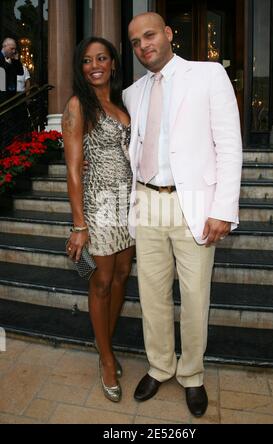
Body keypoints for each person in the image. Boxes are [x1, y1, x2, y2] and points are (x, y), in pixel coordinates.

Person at [123, 13, 243, 417]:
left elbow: (229, 144)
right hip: (147, 202)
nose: (144, 45)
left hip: (193, 205)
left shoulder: (208, 75)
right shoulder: (133, 92)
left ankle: (192, 375)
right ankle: (160, 366)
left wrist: (223, 209)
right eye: (136, 41)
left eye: (150, 35)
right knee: (151, 295)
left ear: (169, 34)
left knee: (195, 297)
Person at [62, 37, 135, 403]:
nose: (95, 65)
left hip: (128, 205)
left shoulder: (121, 103)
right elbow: (74, 169)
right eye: (88, 60)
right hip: (99, 205)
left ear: (113, 64)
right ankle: (107, 358)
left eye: (102, 58)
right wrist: (79, 224)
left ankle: (102, 337)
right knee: (102, 281)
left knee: (123, 275)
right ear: (81, 67)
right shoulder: (79, 105)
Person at [0, 38, 24, 104]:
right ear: (5, 46)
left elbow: (20, 72)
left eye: (15, 49)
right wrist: (7, 64)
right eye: (12, 48)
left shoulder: (12, 59)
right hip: (2, 97)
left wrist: (17, 60)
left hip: (12, 96)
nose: (14, 51)